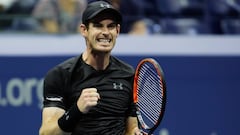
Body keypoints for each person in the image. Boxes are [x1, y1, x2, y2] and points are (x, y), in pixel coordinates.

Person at [39, 1, 141, 135]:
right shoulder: (60, 75)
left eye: (110, 26)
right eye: (98, 26)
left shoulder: (128, 75)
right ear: (84, 30)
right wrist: (77, 110)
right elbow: (47, 133)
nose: (105, 32)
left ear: (117, 31)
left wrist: (134, 132)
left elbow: (131, 129)